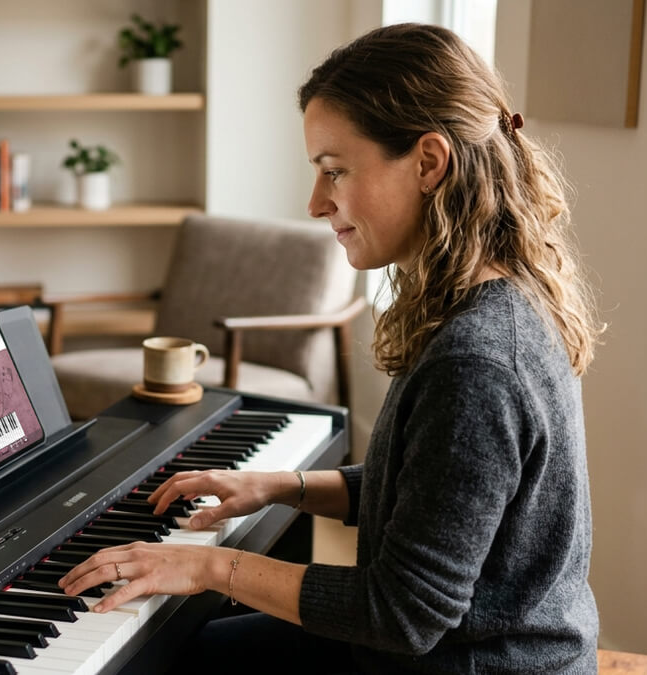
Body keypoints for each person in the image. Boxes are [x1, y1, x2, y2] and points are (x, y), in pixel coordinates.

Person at [59, 22, 603, 674]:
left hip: (475, 661)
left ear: (429, 162)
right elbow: (433, 497)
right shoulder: (494, 300)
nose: (316, 203)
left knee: (165, 652)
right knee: (182, 641)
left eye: (334, 171)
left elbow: (401, 612)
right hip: (459, 650)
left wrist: (209, 563)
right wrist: (279, 484)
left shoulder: (476, 361)